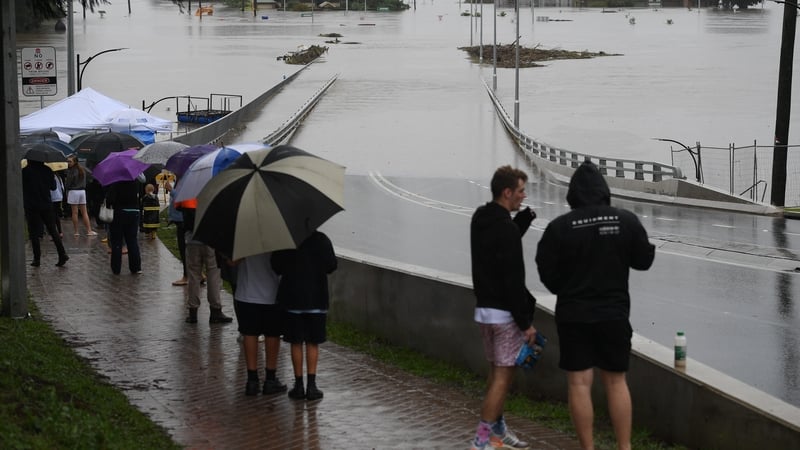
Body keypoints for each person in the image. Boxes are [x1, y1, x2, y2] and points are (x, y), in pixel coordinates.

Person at [535, 161, 655, 450]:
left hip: (574, 315)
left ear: (572, 194)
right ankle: (624, 446)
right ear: (604, 191)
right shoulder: (624, 221)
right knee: (616, 381)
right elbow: (644, 260)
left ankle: (587, 447)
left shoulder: (559, 228)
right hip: (613, 314)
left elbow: (545, 270)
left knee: (579, 383)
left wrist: (565, 289)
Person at [470, 165, 537, 450]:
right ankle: (482, 440)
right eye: (521, 190)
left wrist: (518, 223)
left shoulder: (480, 219)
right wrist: (525, 323)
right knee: (503, 377)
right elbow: (512, 277)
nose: (524, 195)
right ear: (507, 192)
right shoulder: (505, 229)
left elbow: (495, 250)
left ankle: (497, 431)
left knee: (496, 372)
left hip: (485, 311)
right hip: (505, 315)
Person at [271, 231, 337, 401]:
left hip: (293, 300)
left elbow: (276, 266)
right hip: (317, 299)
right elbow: (331, 266)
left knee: (296, 342)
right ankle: (312, 385)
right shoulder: (322, 239)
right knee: (313, 342)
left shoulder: (286, 240)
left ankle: (299, 385)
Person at [229, 252, 287, 396]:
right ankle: (270, 379)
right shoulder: (277, 237)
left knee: (249, 333)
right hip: (272, 293)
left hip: (246, 293)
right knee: (272, 334)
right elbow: (283, 265)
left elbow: (232, 262)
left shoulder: (242, 236)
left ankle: (252, 380)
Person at [181, 205, 233, 324]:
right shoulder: (212, 190)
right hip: (211, 239)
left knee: (193, 275)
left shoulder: (188, 194)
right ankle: (215, 310)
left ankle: (193, 311)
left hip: (192, 238)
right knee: (213, 274)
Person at [22, 160, 68, 268]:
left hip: (31, 205)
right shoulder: (47, 170)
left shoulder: (25, 171)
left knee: (34, 233)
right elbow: (53, 187)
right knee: (52, 230)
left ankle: (36, 258)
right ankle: (62, 254)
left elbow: (21, 185)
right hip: (46, 204)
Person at [105, 178, 142, 275]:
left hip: (119, 213)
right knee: (132, 240)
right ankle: (136, 267)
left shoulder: (116, 182)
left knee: (117, 241)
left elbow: (110, 199)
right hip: (134, 212)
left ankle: (116, 268)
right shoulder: (135, 181)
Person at [64, 155, 97, 237]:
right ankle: (89, 230)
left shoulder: (71, 171)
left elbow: (67, 184)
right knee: (84, 212)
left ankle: (76, 231)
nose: (68, 163)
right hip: (82, 192)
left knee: (74, 213)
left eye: (70, 161)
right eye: (68, 161)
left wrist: (66, 186)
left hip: (73, 191)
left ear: (75, 162)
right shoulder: (82, 169)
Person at [165, 179, 188, 286]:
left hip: (183, 219)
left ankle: (187, 276)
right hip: (180, 219)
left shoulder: (186, 179)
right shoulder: (180, 179)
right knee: (186, 248)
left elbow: (182, 198)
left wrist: (171, 190)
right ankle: (196, 273)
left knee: (184, 249)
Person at [50, 171, 65, 238]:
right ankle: (60, 232)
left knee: (52, 216)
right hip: (58, 198)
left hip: (52, 198)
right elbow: (62, 188)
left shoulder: (51, 177)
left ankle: (54, 233)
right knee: (56, 216)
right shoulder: (58, 177)